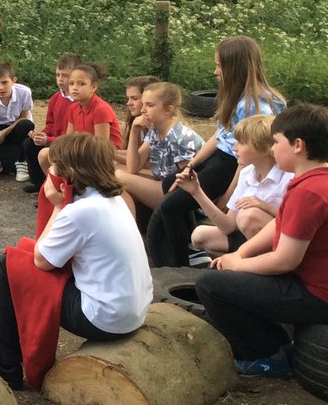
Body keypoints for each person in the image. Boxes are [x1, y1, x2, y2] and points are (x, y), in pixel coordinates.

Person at [194, 104, 328, 377]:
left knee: (210, 285)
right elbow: (278, 225)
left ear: (297, 145)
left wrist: (237, 265)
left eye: (276, 141)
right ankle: (276, 341)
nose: (271, 148)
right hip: (316, 287)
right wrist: (241, 254)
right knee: (226, 274)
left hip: (324, 300)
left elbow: (284, 260)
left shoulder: (310, 191)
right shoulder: (322, 174)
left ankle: (269, 354)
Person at [0, 133, 152, 390]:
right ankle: (6, 360)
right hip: (132, 312)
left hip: (105, 319)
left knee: (5, 268)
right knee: (18, 257)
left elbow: (42, 260)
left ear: (71, 171)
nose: (50, 169)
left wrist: (58, 206)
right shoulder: (113, 198)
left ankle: (6, 365)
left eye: (55, 164)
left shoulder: (80, 211)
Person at [147, 36, 284, 267]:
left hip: (233, 163)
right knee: (171, 182)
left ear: (234, 67)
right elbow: (218, 136)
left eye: (219, 66)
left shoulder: (256, 106)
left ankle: (178, 267)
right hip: (220, 156)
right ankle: (190, 248)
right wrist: (192, 164)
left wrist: (229, 194)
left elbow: (249, 157)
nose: (215, 72)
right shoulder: (235, 96)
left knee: (170, 207)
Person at [182, 114, 292, 261]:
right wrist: (196, 191)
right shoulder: (247, 174)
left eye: (241, 142)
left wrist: (264, 206)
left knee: (249, 216)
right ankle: (243, 258)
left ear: (263, 148)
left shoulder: (288, 177)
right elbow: (228, 226)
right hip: (247, 236)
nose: (234, 147)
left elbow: (295, 221)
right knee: (199, 235)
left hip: (279, 241)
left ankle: (258, 265)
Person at [115, 82, 204, 225]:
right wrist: (134, 131)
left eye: (149, 105)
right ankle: (134, 223)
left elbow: (185, 185)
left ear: (168, 110)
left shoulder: (180, 137)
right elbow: (133, 167)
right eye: (143, 104)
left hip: (183, 198)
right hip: (163, 183)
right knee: (119, 168)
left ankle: (130, 228)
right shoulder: (155, 130)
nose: (143, 110)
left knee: (119, 177)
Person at [22, 52, 80, 191]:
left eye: (65, 75)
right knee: (29, 143)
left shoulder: (78, 101)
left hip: (67, 143)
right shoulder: (55, 98)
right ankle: (40, 183)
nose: (60, 79)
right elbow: (50, 123)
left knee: (47, 151)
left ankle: (57, 187)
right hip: (54, 139)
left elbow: (73, 136)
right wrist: (40, 134)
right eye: (58, 75)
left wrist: (48, 139)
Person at [116, 75, 159, 165]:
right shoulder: (138, 120)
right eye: (128, 98)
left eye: (134, 98)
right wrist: (109, 152)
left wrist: (106, 154)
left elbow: (146, 162)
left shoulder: (158, 125)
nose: (128, 103)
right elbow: (136, 153)